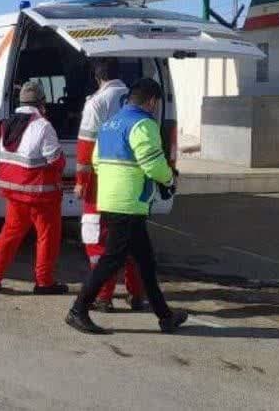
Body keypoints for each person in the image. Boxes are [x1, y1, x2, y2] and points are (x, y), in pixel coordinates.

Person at [66, 78, 188, 334]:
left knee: (145, 261)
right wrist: (169, 178)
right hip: (129, 203)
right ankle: (78, 309)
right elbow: (152, 163)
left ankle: (165, 316)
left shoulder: (110, 124)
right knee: (111, 260)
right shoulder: (143, 124)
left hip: (110, 200)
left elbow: (97, 161)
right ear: (152, 101)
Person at [0, 80, 68, 294]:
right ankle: (44, 282)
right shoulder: (43, 125)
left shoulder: (7, 124)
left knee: (10, 233)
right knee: (47, 237)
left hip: (14, 192)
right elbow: (55, 161)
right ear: (41, 102)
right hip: (41, 195)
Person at [75, 59, 146, 312]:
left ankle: (103, 296)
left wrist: (82, 182)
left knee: (98, 239)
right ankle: (137, 293)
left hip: (102, 179)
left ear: (97, 77)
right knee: (131, 239)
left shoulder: (96, 102)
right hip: (133, 180)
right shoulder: (136, 98)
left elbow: (85, 149)